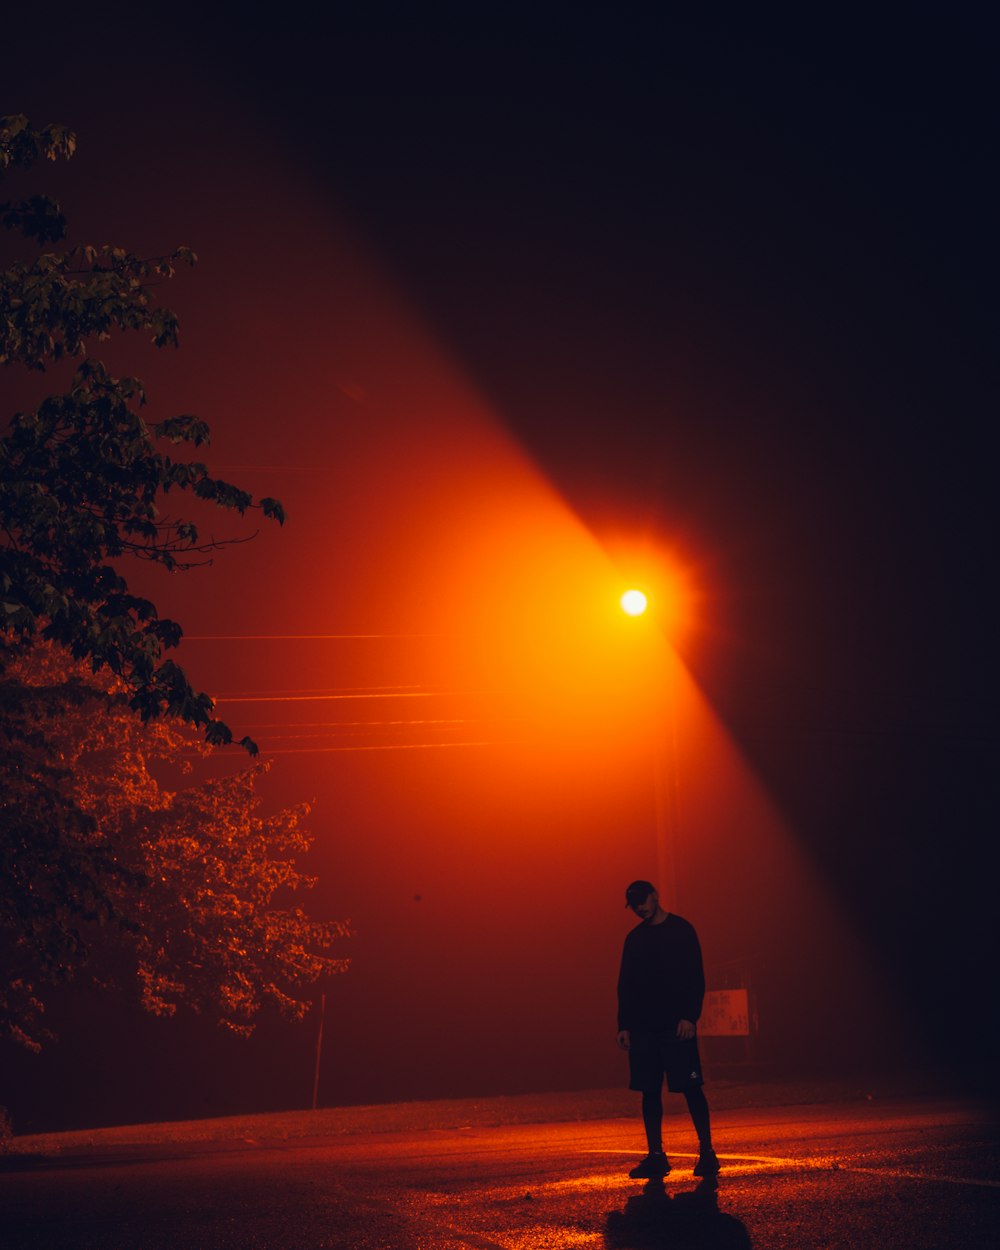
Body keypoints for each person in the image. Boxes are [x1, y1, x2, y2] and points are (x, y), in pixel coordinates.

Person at [617, 879, 719, 1179]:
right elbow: (626, 984)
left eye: (642, 901)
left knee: (691, 1086)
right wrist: (624, 1025)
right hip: (645, 1031)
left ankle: (708, 1152)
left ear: (655, 896)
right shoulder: (634, 939)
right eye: (633, 904)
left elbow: (695, 976)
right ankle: (656, 1156)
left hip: (677, 1030)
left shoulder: (681, 930)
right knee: (649, 1092)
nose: (638, 908)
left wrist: (690, 1016)